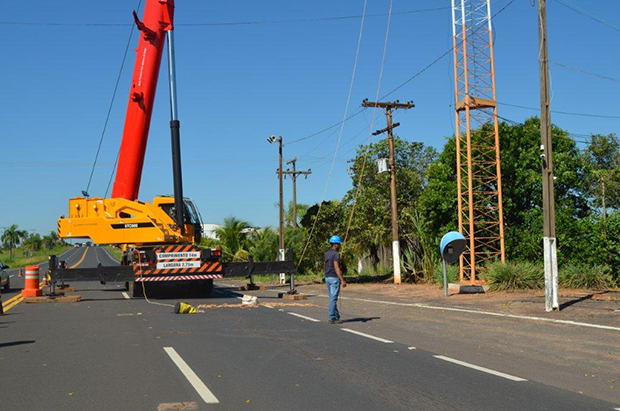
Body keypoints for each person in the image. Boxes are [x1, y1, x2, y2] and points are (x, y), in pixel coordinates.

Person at [324, 235, 346, 324]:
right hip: (334, 278)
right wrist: (342, 280)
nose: (340, 246)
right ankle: (332, 317)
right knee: (333, 299)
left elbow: (324, 265)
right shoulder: (336, 254)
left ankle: (336, 316)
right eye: (339, 244)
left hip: (327, 277)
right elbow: (336, 267)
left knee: (332, 298)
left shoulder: (326, 253)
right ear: (336, 245)